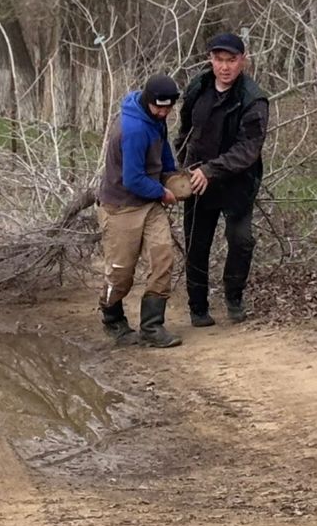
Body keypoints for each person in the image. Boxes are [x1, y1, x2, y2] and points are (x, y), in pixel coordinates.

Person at [176, 32, 270, 326]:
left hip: (237, 183)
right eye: (219, 60)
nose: (225, 67)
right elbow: (185, 128)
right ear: (211, 60)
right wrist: (182, 165)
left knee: (241, 241)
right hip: (197, 179)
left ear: (243, 61)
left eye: (231, 60)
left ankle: (234, 296)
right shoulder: (198, 87)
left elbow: (248, 149)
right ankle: (198, 308)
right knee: (196, 244)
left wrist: (211, 170)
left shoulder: (253, 99)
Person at [97, 74, 184, 348]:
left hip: (149, 203)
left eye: (168, 108)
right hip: (121, 207)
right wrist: (163, 192)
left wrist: (173, 177)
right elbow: (133, 179)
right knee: (121, 273)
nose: (163, 112)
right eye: (159, 107)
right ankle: (112, 319)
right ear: (148, 101)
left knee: (163, 258)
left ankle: (152, 326)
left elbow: (164, 154)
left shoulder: (157, 120)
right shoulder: (133, 129)